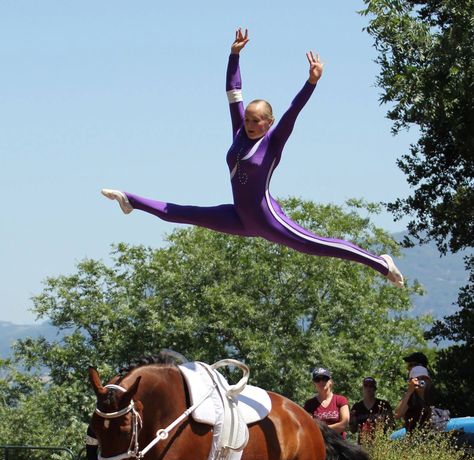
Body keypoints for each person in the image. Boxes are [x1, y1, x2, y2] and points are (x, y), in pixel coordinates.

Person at [101, 28, 404, 288]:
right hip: (240, 217)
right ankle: (130, 201)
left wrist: (311, 82)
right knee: (181, 212)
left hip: (267, 218)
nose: (249, 123)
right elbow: (233, 91)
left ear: (268, 123)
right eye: (247, 119)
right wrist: (234, 55)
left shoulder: (273, 141)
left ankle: (382, 264)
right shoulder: (238, 133)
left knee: (319, 246)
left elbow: (293, 111)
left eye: (256, 120)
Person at [349, 376, 394, 442]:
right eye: (366, 386)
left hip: (380, 444)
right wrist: (351, 419)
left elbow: (391, 426)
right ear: (362, 388)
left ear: (375, 389)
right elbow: (353, 430)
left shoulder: (384, 405)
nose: (368, 388)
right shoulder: (357, 407)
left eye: (371, 386)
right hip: (363, 444)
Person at [394, 365, 436, 433]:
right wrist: (409, 391)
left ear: (428, 381)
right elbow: (397, 415)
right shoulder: (410, 398)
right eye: (417, 379)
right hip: (414, 438)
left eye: (423, 378)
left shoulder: (431, 396)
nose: (421, 381)